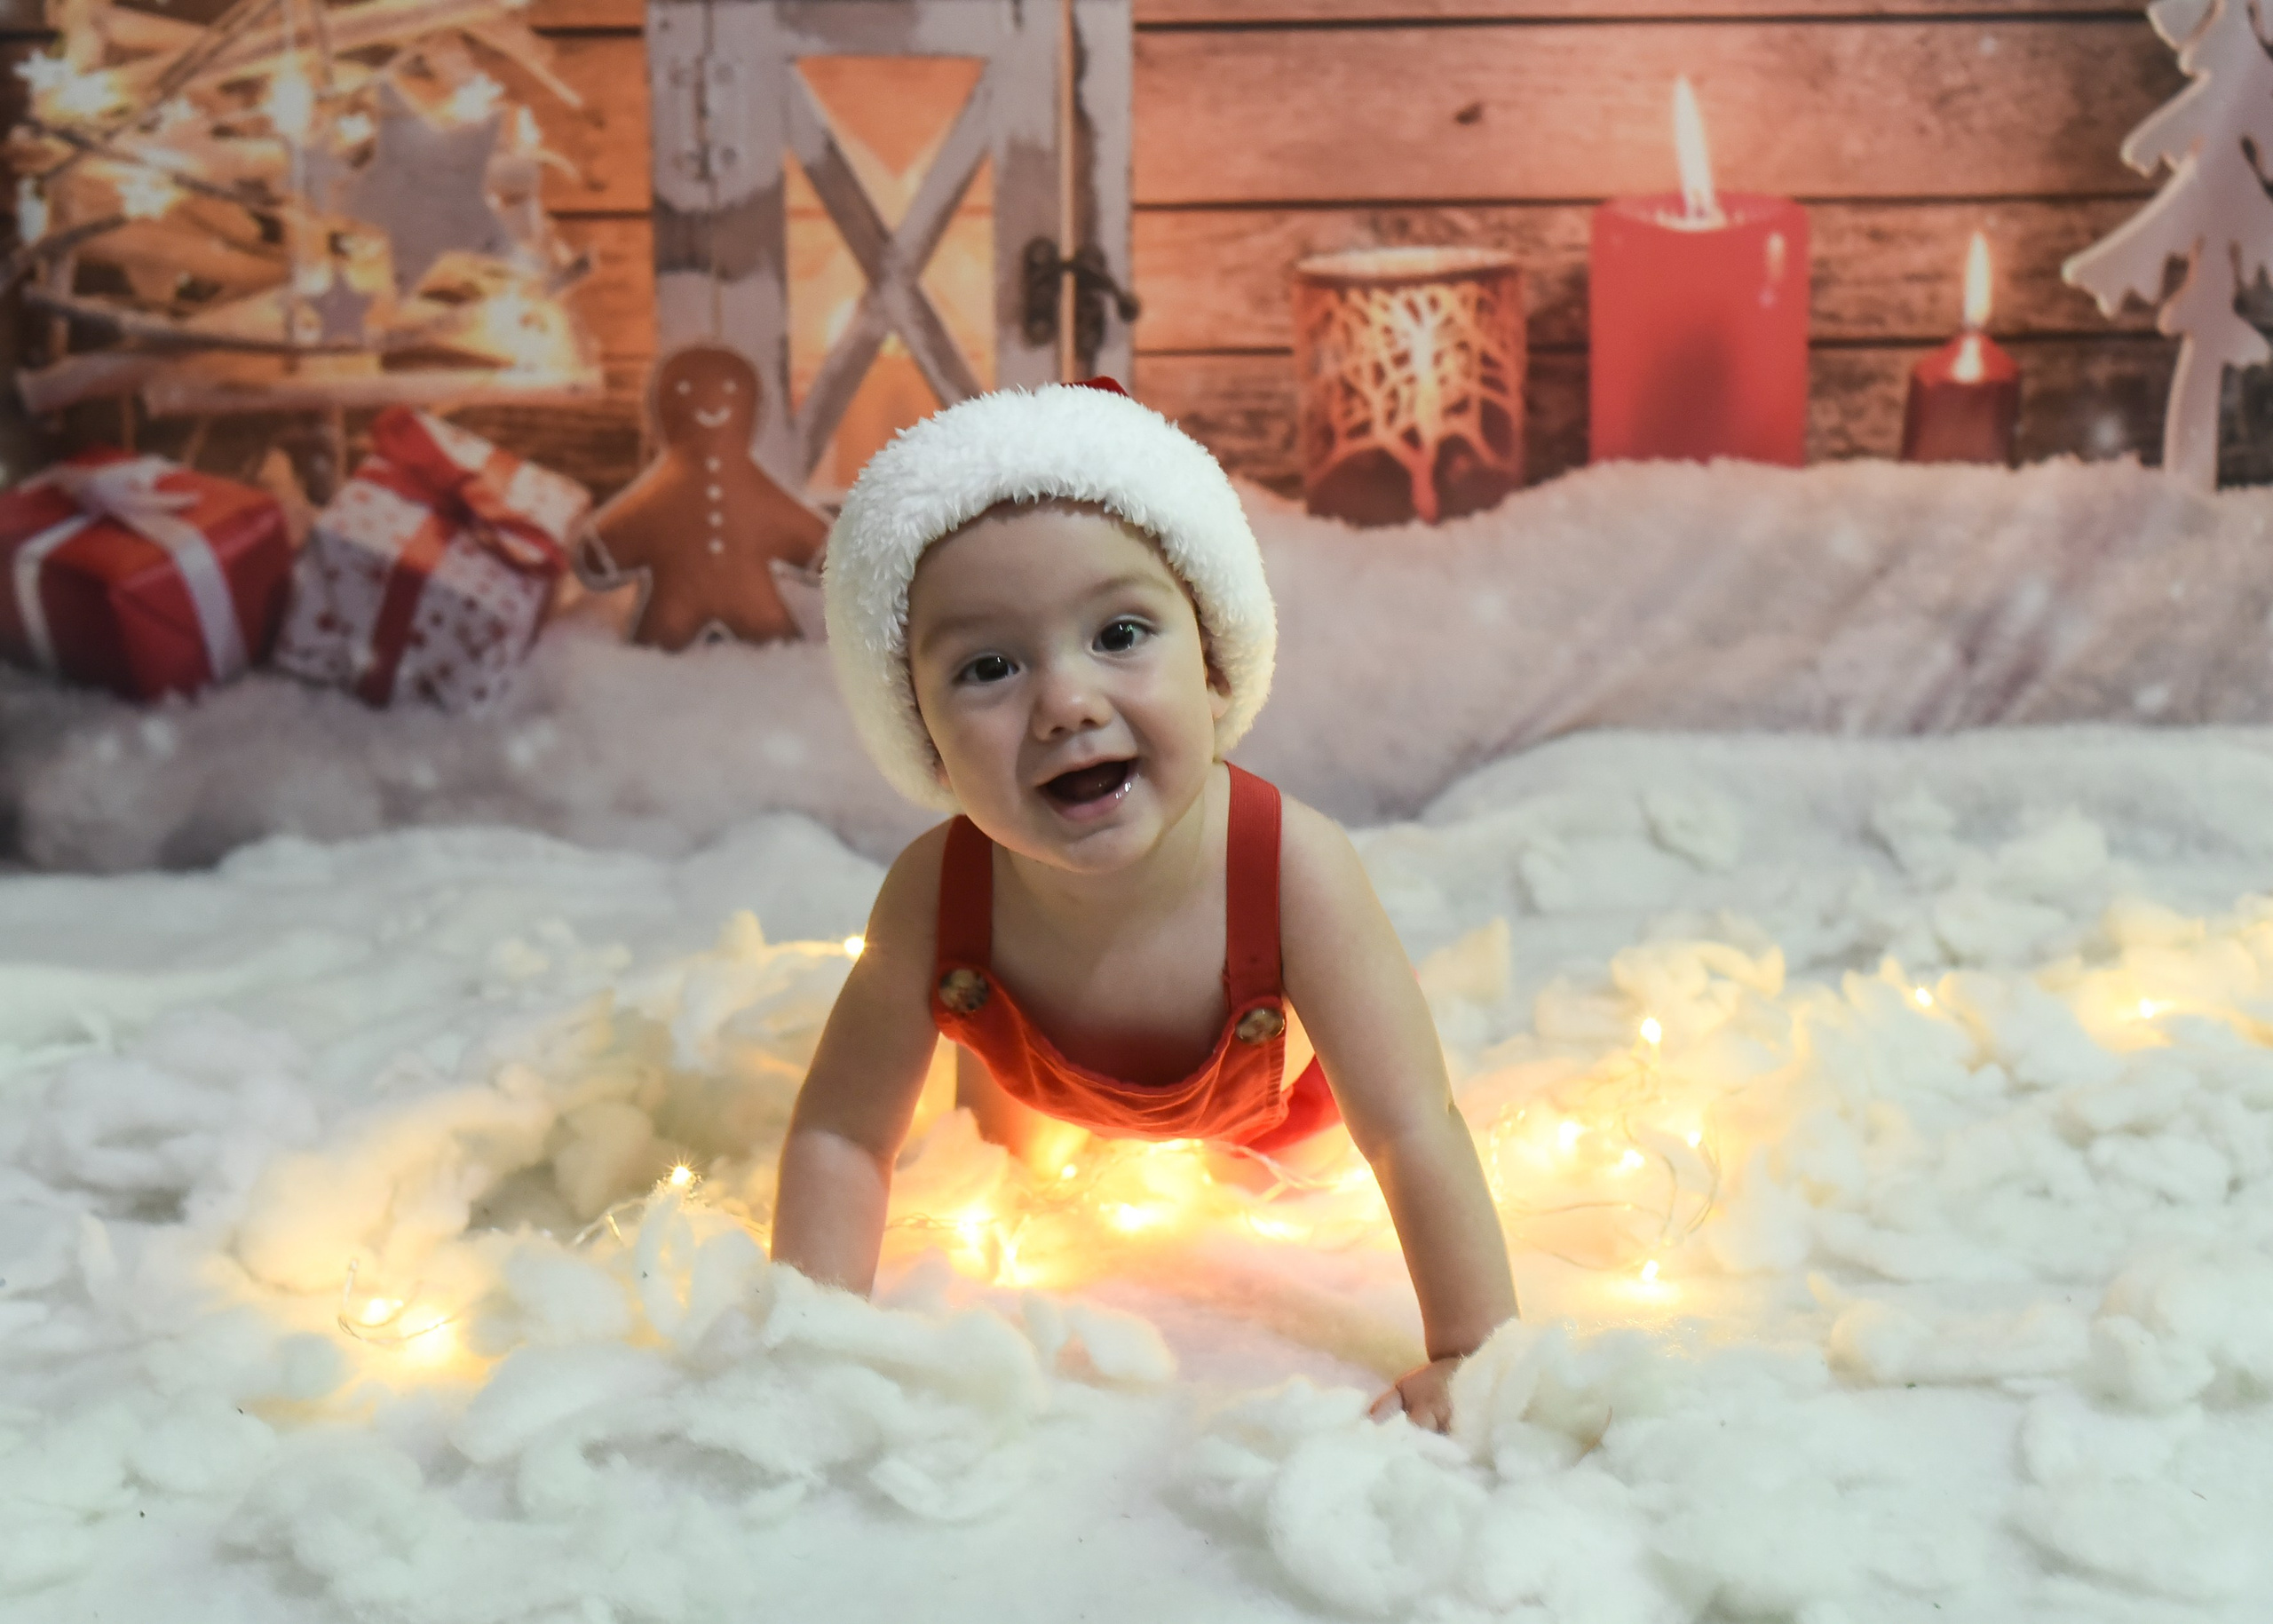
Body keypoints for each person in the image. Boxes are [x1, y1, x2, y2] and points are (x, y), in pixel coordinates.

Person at [770, 379, 1516, 1429]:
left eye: (1119, 633)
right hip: (1039, 1085)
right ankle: (1040, 1124)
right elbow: (844, 1133)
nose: (1067, 701)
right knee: (999, 1176)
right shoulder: (936, 895)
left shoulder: (1293, 868)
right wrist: (812, 1336)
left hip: (1267, 1111)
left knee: (1295, 1179)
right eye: (988, 665)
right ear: (923, 739)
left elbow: (1409, 1124)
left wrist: (1474, 1354)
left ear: (1215, 666)